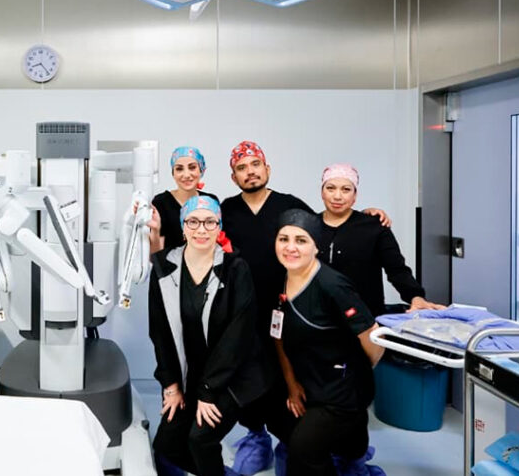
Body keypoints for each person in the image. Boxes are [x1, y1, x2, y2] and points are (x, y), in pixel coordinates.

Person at [214, 141, 390, 475]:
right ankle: (257, 438)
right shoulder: (228, 210)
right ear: (234, 177)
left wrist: (365, 217)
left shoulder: (290, 205)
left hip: (293, 308)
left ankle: (297, 439)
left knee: (294, 380)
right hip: (247, 313)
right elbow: (201, 230)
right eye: (241, 168)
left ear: (267, 169)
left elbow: (325, 224)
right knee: (250, 378)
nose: (250, 172)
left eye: (255, 164)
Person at [149, 196, 271, 476]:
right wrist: (171, 384)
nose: (201, 229)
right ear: (183, 227)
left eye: (209, 222)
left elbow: (237, 337)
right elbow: (160, 331)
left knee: (200, 438)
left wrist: (208, 391)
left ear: (219, 228)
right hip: (193, 373)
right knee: (167, 444)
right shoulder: (164, 267)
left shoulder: (235, 268)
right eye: (193, 221)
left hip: (233, 374)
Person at [267, 209, 384, 476]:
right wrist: (291, 384)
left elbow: (373, 337)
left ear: (316, 246)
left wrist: (357, 375)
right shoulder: (281, 280)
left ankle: (353, 453)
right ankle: (349, 452)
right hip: (309, 382)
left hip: (342, 388)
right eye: (283, 239)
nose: (290, 247)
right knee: (279, 420)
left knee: (304, 449)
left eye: (301, 240)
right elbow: (278, 334)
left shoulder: (332, 285)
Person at [317, 163, 444, 316]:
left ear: (355, 195)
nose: (337, 196)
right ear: (322, 192)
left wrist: (415, 296)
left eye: (346, 189)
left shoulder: (373, 226)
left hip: (366, 317)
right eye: (330, 188)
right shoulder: (307, 227)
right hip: (317, 317)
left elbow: (397, 269)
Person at [152, 146, 219, 251]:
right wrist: (155, 230)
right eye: (179, 169)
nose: (186, 175)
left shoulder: (210, 200)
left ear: (201, 170)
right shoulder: (161, 203)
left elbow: (216, 240)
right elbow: (156, 252)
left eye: (192, 167)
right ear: (173, 173)